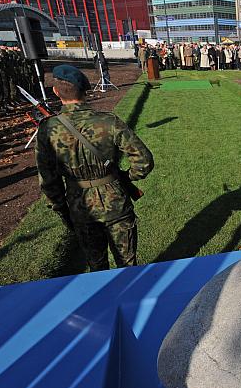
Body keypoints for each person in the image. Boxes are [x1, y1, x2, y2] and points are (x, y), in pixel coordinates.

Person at [35, 65, 154, 271]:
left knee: (96, 267)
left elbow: (48, 179)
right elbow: (143, 161)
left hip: (79, 205)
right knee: (127, 265)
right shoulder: (108, 121)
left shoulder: (48, 129)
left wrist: (60, 207)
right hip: (116, 202)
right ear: (85, 91)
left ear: (55, 91)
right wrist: (128, 176)